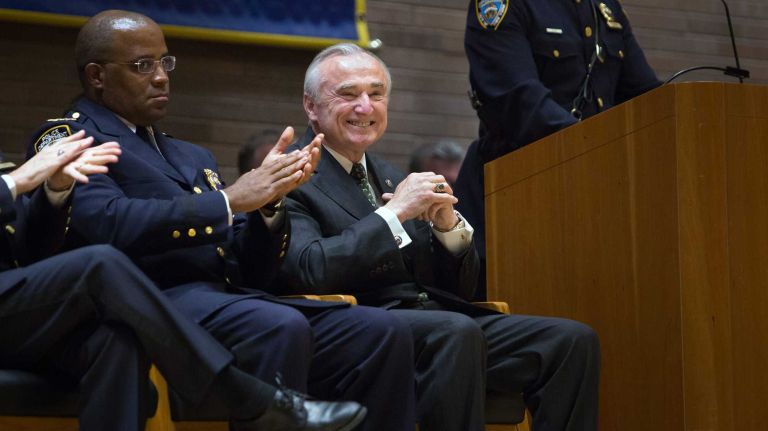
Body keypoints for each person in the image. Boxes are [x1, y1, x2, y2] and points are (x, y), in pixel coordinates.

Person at [27, 10, 414, 431]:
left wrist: (269, 205)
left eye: (164, 62)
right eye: (142, 66)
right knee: (278, 326)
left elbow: (248, 264)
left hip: (223, 296)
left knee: (379, 330)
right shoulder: (70, 139)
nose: (160, 77)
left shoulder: (191, 156)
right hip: (146, 301)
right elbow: (108, 223)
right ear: (97, 76)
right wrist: (229, 200)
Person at [281, 43, 601, 431]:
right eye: (348, 95)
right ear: (311, 106)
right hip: (357, 331)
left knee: (570, 342)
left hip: (432, 324)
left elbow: (459, 290)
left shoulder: (389, 174)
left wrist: (447, 229)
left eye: (376, 95)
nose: (365, 107)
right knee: (455, 332)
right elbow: (310, 269)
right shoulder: (291, 176)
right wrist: (394, 213)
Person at [2, 133, 366, 430]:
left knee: (116, 337)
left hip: (18, 298)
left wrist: (54, 192)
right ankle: (243, 396)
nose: (161, 77)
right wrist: (14, 183)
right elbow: (112, 226)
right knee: (99, 263)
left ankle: (249, 397)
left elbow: (28, 249)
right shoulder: (77, 131)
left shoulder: (185, 150)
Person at [455, 0, 662, 293]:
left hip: (601, 194)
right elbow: (519, 100)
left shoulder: (604, 7)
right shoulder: (503, 5)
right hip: (521, 192)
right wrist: (598, 148)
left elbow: (644, 96)